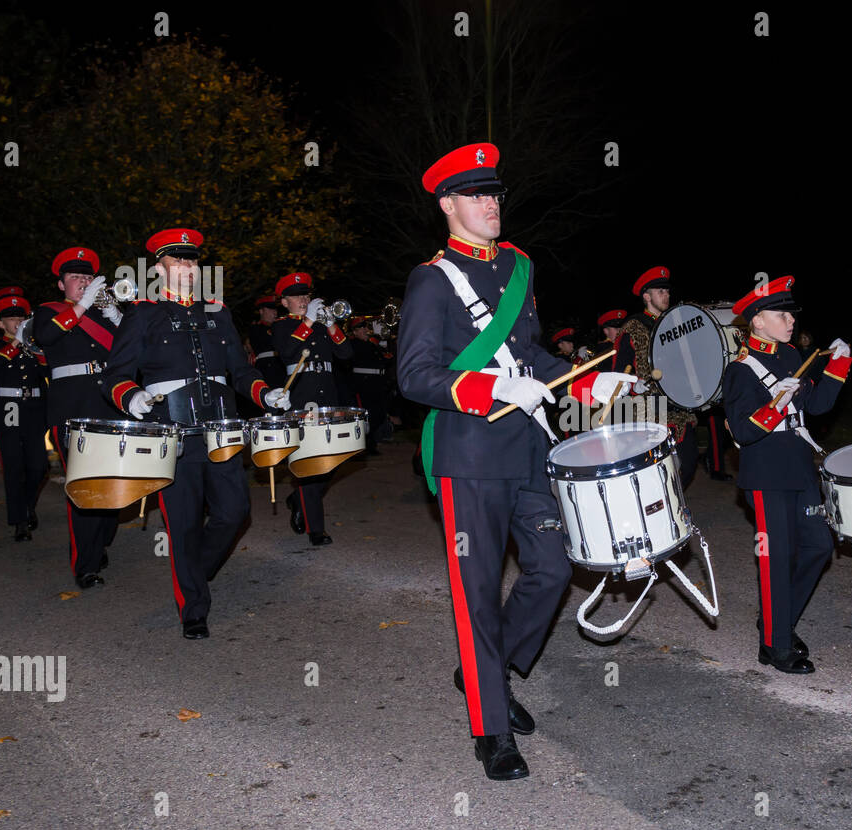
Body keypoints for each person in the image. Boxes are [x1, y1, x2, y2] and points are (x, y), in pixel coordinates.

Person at [396, 142, 634, 781]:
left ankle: (488, 672)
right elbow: (414, 376)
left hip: (528, 447)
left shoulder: (519, 266)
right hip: (469, 454)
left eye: (495, 192)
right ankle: (491, 729)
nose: (491, 203)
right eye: (476, 194)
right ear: (448, 205)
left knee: (553, 568)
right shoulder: (432, 279)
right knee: (475, 596)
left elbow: (530, 356)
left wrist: (588, 384)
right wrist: (492, 387)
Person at [103, 228, 290, 638]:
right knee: (183, 522)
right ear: (158, 268)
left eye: (192, 261)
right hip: (171, 431)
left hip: (220, 428)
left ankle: (192, 574)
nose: (187, 267)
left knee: (234, 511)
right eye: (177, 261)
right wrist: (131, 396)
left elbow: (240, 371)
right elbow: (114, 375)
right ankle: (193, 608)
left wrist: (265, 393)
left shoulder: (217, 312)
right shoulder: (143, 313)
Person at [722, 276, 852, 674]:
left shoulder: (793, 355)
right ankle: (775, 646)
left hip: (799, 468)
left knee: (818, 547)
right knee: (776, 558)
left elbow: (817, 405)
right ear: (757, 322)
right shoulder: (740, 371)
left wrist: (839, 365)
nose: (790, 320)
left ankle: (776, 623)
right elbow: (743, 431)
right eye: (781, 314)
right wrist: (777, 403)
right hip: (766, 475)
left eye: (791, 313)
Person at [33, 247, 125, 588]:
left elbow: (132, 351)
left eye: (88, 277)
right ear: (61, 285)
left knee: (113, 482)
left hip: (108, 405)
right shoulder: (47, 312)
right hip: (71, 408)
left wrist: (115, 315)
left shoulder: (105, 315)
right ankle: (85, 564)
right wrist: (84, 307)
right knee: (83, 485)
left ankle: (99, 542)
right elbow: (46, 338)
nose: (84, 282)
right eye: (76, 278)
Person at [270, 271, 355, 546]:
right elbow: (287, 352)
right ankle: (315, 530)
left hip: (327, 397)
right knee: (309, 465)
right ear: (284, 303)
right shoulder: (283, 326)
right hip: (301, 398)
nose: (304, 299)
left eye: (306, 294)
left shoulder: (319, 325)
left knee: (330, 463)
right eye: (296, 296)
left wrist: (330, 325)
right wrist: (307, 321)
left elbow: (346, 354)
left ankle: (298, 498)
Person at [614, 265, 699, 486]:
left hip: (679, 404)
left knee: (688, 464)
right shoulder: (633, 327)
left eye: (667, 291)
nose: (666, 295)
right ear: (646, 296)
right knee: (657, 470)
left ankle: (674, 504)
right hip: (649, 408)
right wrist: (634, 386)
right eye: (660, 291)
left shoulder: (676, 324)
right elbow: (618, 371)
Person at [0, 295, 48, 541]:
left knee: (38, 466)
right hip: (8, 408)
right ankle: (20, 520)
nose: (18, 322)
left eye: (21, 317)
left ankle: (27, 505)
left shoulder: (34, 343)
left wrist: (33, 346)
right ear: (1, 323)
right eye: (12, 318)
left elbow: (47, 369)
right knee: (13, 467)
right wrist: (16, 343)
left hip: (34, 407)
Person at [344, 315, 392, 454]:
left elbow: (387, 358)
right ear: (354, 332)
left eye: (366, 327)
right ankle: (365, 445)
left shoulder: (372, 343)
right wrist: (375, 340)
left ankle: (370, 443)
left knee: (379, 414)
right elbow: (361, 354)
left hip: (377, 383)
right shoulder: (354, 344)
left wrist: (381, 340)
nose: (365, 329)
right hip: (363, 384)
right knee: (368, 416)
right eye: (361, 328)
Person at [248, 294, 287, 388]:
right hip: (267, 370)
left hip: (282, 368)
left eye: (275, 309)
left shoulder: (280, 327)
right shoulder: (256, 328)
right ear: (261, 311)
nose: (274, 312)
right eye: (270, 309)